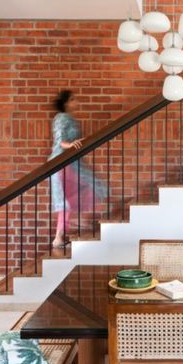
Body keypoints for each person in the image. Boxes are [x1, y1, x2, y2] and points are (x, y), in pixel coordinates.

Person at [49, 89, 104, 249]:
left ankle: (60, 236)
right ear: (65, 103)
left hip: (71, 163)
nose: (76, 102)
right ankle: (59, 237)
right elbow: (60, 140)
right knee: (67, 200)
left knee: (74, 196)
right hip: (62, 163)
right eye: (73, 99)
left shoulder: (71, 119)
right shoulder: (61, 118)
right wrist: (71, 145)